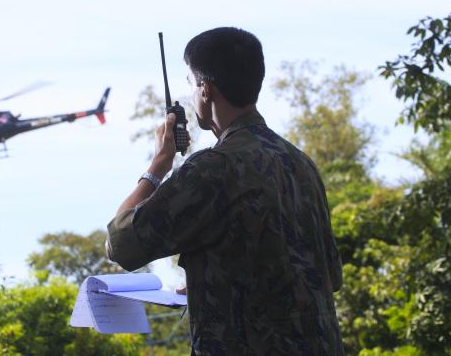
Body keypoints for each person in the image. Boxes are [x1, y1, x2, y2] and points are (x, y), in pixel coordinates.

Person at [105, 27, 344, 355]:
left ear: (206, 89)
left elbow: (120, 243)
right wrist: (218, 285)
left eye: (191, 83)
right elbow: (326, 275)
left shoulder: (213, 168)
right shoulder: (300, 164)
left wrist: (159, 163)